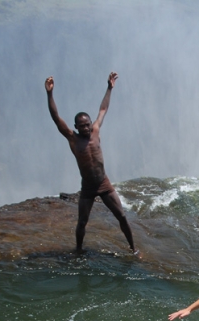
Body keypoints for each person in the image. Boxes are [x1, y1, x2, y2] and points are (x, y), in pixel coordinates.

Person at [45, 72, 138, 255]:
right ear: (76, 127)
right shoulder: (73, 139)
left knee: (121, 216)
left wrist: (109, 88)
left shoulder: (95, 131)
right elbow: (56, 118)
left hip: (104, 183)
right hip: (87, 187)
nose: (87, 127)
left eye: (88, 124)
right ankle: (78, 250)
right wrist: (50, 94)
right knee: (82, 222)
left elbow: (103, 109)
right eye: (83, 126)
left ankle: (133, 249)